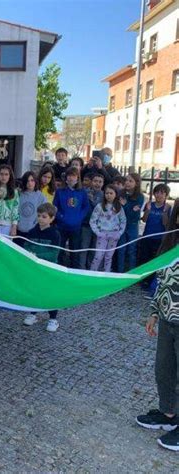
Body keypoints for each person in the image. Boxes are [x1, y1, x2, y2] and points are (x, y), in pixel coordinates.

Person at [136, 198, 179, 452]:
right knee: (164, 369)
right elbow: (162, 282)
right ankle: (169, 413)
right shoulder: (170, 243)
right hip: (167, 317)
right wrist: (154, 312)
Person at [22, 203, 61, 332]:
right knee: (34, 290)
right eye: (39, 216)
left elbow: (54, 253)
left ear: (51, 218)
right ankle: (33, 314)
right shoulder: (32, 231)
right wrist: (28, 253)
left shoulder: (55, 234)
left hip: (48, 269)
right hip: (35, 269)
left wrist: (36, 255)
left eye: (44, 217)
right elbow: (27, 246)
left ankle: (53, 319)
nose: (40, 219)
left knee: (50, 292)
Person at [53, 167, 89, 268]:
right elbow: (55, 207)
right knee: (59, 250)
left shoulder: (82, 192)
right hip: (62, 227)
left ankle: (74, 272)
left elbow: (86, 207)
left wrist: (79, 218)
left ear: (78, 178)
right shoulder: (60, 192)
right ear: (66, 178)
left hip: (76, 228)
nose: (71, 178)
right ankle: (59, 270)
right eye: (69, 175)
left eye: (73, 175)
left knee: (75, 252)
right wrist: (61, 217)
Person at [89, 185, 126, 272]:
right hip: (102, 235)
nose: (108, 195)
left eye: (111, 193)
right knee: (98, 256)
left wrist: (119, 233)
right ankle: (91, 274)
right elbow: (92, 220)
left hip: (114, 235)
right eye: (106, 193)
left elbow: (123, 221)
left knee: (109, 257)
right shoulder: (99, 206)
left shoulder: (119, 207)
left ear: (115, 194)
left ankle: (106, 275)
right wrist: (98, 232)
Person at [116, 173, 145, 272]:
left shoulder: (140, 197)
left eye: (130, 181)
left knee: (132, 250)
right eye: (126, 180)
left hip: (132, 225)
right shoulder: (121, 193)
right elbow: (119, 210)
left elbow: (134, 215)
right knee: (121, 249)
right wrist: (129, 208)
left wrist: (126, 205)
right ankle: (119, 272)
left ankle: (131, 273)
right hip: (121, 225)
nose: (127, 183)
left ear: (136, 183)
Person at [140, 183, 171, 265]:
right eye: (157, 192)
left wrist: (164, 212)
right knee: (144, 259)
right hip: (147, 236)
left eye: (162, 193)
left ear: (166, 195)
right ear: (154, 194)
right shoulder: (149, 204)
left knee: (156, 260)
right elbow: (144, 220)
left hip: (159, 239)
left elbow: (166, 224)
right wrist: (148, 210)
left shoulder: (168, 207)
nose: (159, 195)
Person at [79, 173, 104, 270]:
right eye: (95, 181)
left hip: (98, 227)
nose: (97, 184)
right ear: (91, 182)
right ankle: (81, 270)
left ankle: (91, 270)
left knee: (94, 250)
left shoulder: (104, 195)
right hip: (86, 226)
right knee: (83, 249)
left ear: (103, 183)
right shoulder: (84, 193)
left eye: (100, 182)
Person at [17, 171, 46, 241]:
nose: (30, 183)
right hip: (19, 229)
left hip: (33, 230)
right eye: (27, 181)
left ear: (35, 181)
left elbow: (43, 213)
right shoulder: (19, 194)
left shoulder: (40, 196)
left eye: (32, 180)